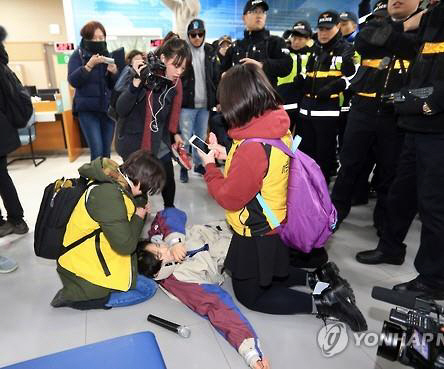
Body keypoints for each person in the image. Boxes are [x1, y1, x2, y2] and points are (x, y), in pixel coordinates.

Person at [197, 63, 367, 332]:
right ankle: (321, 278)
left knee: (251, 295)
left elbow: (230, 197)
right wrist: (226, 154)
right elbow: (260, 166)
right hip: (274, 220)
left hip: (256, 228)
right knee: (275, 272)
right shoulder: (273, 125)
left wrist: (209, 168)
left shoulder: (251, 148)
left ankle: (326, 302)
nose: (220, 106)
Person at [355, 0, 444, 300]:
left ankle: (434, 280)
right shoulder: (436, 13)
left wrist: (429, 102)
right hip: (419, 122)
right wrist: (399, 25)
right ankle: (390, 247)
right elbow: (418, 61)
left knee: (439, 205)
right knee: (401, 193)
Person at [137, 208, 270, 369]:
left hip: (234, 226)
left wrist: (174, 241)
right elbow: (217, 306)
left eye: (157, 245)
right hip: (243, 250)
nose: (164, 249)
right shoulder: (181, 281)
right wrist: (251, 353)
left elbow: (170, 213)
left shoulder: (164, 241)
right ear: (157, 271)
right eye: (159, 255)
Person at [331, 0, 420, 234]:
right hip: (363, 108)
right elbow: (365, 40)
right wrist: (403, 29)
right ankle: (334, 213)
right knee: (348, 166)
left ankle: (384, 224)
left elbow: (413, 49)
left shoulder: (426, 29)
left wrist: (388, 37)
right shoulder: (375, 22)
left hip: (397, 114)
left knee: (389, 172)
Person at [51, 150, 166, 309]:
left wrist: (140, 206)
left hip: (95, 254)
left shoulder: (114, 176)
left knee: (140, 278)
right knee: (148, 289)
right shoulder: (108, 196)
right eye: (147, 188)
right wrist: (139, 216)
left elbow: (134, 202)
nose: (146, 192)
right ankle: (84, 299)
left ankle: (96, 290)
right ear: (139, 180)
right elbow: (125, 246)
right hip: (83, 271)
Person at [115, 38, 190, 208]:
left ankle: (169, 211)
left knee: (167, 176)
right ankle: (135, 216)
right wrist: (136, 83)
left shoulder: (174, 84)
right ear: (163, 58)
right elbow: (121, 109)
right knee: (138, 185)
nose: (179, 72)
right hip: (133, 140)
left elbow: (169, 114)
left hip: (158, 137)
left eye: (183, 68)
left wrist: (175, 133)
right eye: (176, 66)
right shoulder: (144, 74)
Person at [296, 10, 356, 184]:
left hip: (327, 112)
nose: (323, 33)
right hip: (306, 111)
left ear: (338, 27)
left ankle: (321, 188)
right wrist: (302, 80)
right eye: (321, 28)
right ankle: (306, 185)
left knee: (325, 155)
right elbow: (306, 72)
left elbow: (352, 77)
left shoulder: (346, 50)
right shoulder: (315, 50)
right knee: (305, 152)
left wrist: (332, 88)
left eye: (328, 29)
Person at [68, 21, 120, 161]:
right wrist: (89, 66)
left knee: (107, 152)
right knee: (97, 151)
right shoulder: (77, 56)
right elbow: (73, 81)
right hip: (88, 111)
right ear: (86, 38)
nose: (99, 41)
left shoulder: (107, 55)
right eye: (95, 38)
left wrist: (114, 73)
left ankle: (106, 181)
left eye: (101, 38)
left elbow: (114, 86)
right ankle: (96, 181)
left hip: (107, 110)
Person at [179, 19, 219, 183]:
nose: (197, 38)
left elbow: (215, 76)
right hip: (187, 104)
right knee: (185, 138)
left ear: (204, 34)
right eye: (193, 35)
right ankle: (183, 167)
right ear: (188, 36)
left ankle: (198, 164)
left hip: (205, 104)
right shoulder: (183, 52)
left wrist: (216, 99)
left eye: (200, 34)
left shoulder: (210, 51)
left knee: (200, 137)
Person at [220, 0, 292, 88]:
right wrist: (225, 75)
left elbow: (287, 66)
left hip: (265, 99)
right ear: (244, 18)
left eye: (262, 12)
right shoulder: (236, 46)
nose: (259, 15)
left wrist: (262, 65)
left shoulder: (275, 42)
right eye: (254, 11)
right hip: (239, 99)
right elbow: (222, 70)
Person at [0, 25, 29, 239]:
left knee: (2, 176)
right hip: (4, 130)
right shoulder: (3, 66)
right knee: (2, 176)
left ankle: (14, 219)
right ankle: (16, 219)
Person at [276, 21, 312, 134]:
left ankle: (296, 152)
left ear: (308, 39)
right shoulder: (283, 54)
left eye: (300, 39)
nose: (295, 42)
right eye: (294, 38)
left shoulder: (313, 55)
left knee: (300, 138)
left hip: (305, 105)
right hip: (285, 104)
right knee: (283, 137)